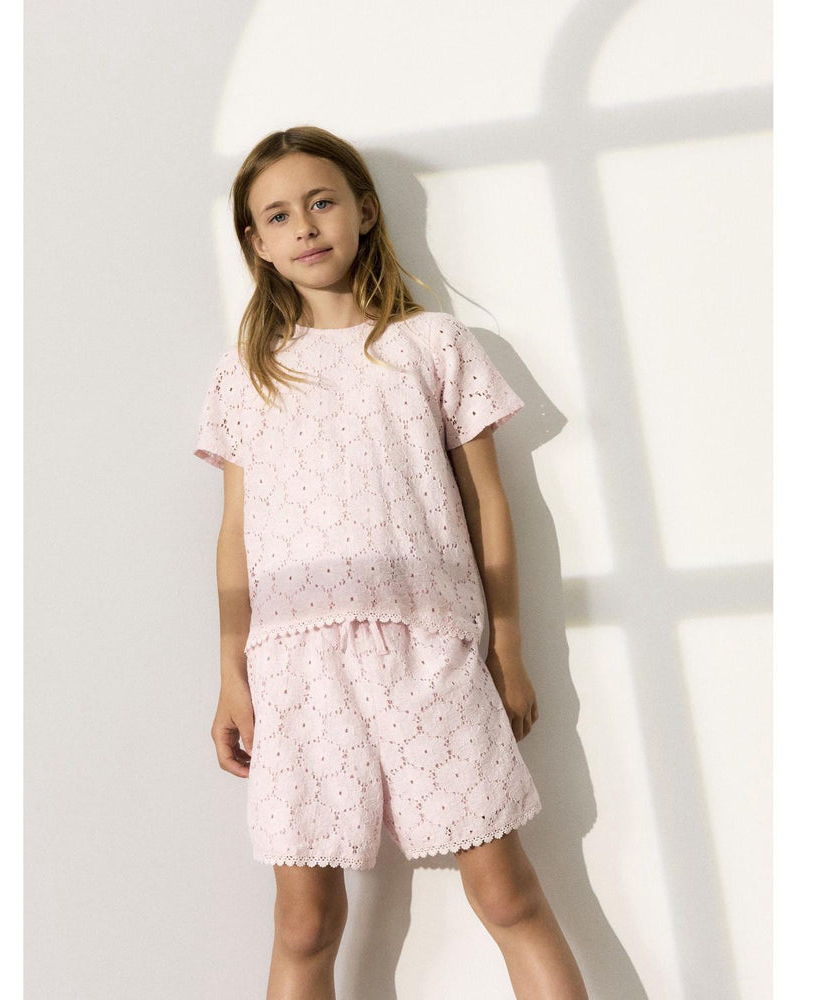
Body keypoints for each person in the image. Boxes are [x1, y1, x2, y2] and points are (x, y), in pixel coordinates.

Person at [194, 125, 588, 999]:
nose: (305, 226)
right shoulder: (246, 375)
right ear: (256, 243)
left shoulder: (433, 345)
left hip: (428, 651)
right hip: (295, 668)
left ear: (365, 211)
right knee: (304, 922)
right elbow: (235, 533)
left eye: (322, 202)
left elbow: (488, 503)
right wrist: (230, 673)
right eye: (278, 216)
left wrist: (507, 647)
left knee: (508, 893)